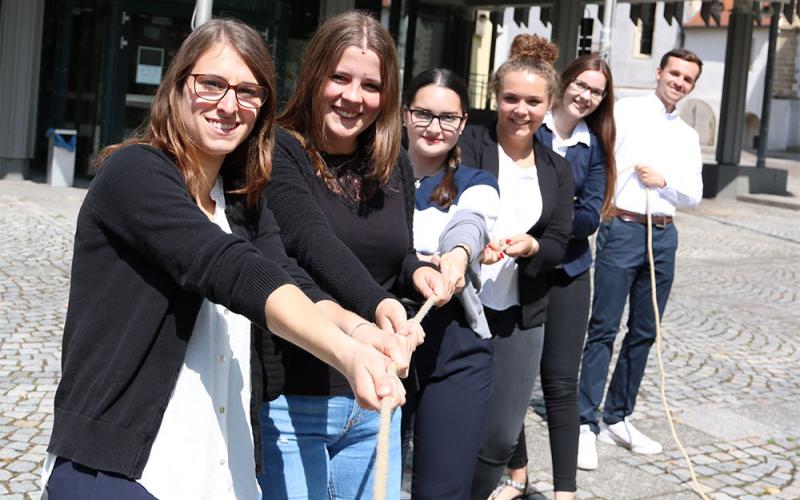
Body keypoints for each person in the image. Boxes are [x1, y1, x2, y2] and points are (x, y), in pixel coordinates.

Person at [41, 18, 404, 500]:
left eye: (249, 92)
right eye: (212, 84)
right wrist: (347, 354)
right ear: (178, 85)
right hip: (122, 471)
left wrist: (365, 335)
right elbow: (228, 267)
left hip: (217, 469)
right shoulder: (134, 173)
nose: (230, 105)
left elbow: (293, 283)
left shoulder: (240, 202)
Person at [256, 11, 450, 500]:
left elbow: (397, 252)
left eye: (370, 85)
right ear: (314, 75)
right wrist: (383, 307)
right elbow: (309, 243)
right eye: (339, 78)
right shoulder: (278, 149)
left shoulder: (394, 164)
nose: (352, 97)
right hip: (295, 398)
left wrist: (419, 272)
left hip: (376, 397)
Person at [495, 53, 617, 500]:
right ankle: (517, 474)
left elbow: (589, 217)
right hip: (517, 267)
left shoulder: (596, 144)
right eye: (582, 85)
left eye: (597, 91)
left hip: (568, 271)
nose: (586, 95)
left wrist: (544, 223)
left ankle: (566, 490)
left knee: (561, 382)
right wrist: (558, 216)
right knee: (512, 377)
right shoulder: (531, 125)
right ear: (563, 84)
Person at [576, 48, 704, 471]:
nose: (679, 83)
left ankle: (619, 417)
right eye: (675, 74)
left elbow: (695, 193)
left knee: (645, 330)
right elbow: (600, 159)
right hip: (624, 227)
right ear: (659, 72)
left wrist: (664, 182)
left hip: (664, 234)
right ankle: (583, 422)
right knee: (604, 327)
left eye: (687, 79)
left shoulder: (686, 134)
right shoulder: (626, 112)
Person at [459, 34, 574, 500]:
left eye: (532, 101)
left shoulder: (556, 168)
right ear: (495, 97)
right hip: (460, 302)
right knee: (448, 415)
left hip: (521, 313)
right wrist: (469, 245)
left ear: (549, 105)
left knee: (503, 433)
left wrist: (532, 247)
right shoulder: (468, 144)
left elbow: (559, 241)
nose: (520, 109)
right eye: (510, 98)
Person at [402, 68, 500, 499]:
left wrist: (456, 257)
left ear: (462, 124)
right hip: (380, 335)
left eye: (448, 118)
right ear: (405, 115)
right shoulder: (374, 177)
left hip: (453, 344)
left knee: (441, 490)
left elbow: (470, 224)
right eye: (423, 113)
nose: (434, 127)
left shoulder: (476, 183)